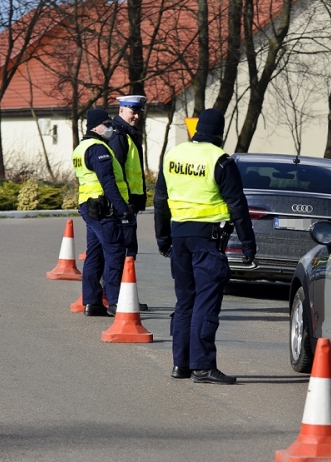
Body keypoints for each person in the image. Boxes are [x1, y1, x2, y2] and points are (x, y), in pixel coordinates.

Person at [153, 108, 256, 385]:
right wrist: (248, 244)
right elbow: (237, 204)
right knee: (205, 302)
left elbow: (160, 199)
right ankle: (202, 367)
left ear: (197, 129)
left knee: (185, 301)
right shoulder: (220, 160)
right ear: (220, 133)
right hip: (207, 240)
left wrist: (162, 238)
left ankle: (181, 364)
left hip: (178, 237)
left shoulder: (174, 155)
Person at [73, 108, 133, 317]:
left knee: (95, 253)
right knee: (115, 251)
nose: (110, 127)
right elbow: (108, 182)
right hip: (103, 207)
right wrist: (123, 209)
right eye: (106, 123)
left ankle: (92, 302)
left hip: (89, 207)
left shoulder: (81, 148)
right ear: (95, 126)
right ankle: (116, 302)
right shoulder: (99, 149)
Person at [109, 94, 149, 311]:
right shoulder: (119, 136)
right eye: (132, 111)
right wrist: (123, 203)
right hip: (123, 204)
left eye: (138, 112)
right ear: (121, 110)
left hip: (128, 202)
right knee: (125, 251)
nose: (136, 116)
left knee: (127, 250)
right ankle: (121, 299)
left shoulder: (128, 134)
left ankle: (125, 297)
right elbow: (115, 174)